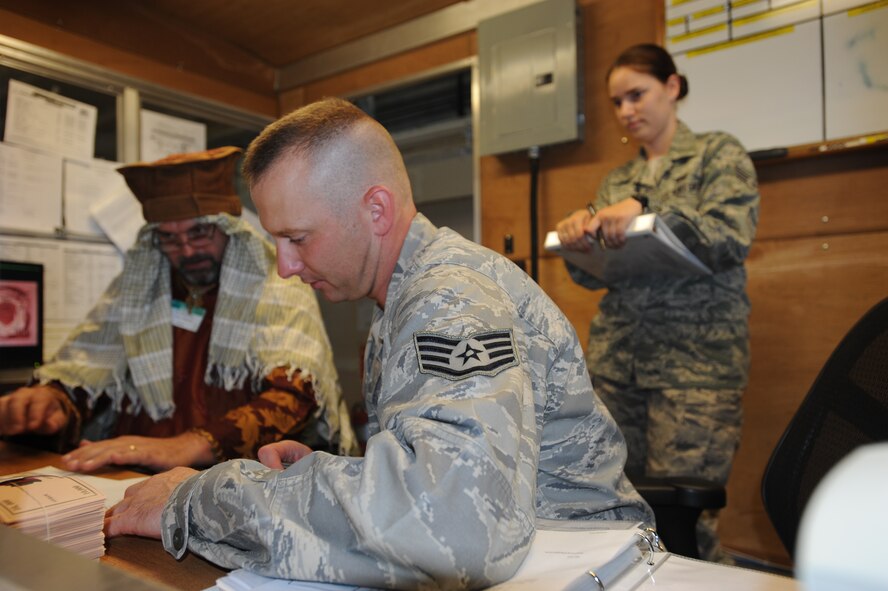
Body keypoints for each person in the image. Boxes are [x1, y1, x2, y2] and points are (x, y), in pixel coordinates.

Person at [103, 97, 653, 590]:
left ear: (376, 210)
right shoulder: (402, 296)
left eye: (296, 238)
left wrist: (198, 500)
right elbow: (436, 467)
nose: (286, 266)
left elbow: (455, 521)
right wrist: (335, 472)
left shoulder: (449, 294)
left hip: (587, 567)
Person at [0, 146, 355, 472]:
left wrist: (188, 446)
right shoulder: (140, 286)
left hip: (238, 485)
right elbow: (89, 375)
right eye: (169, 239)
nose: (186, 251)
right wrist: (51, 403)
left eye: (199, 234)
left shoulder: (277, 281)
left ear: (228, 230)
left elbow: (293, 398)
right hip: (131, 476)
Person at [554, 44, 760, 562]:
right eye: (617, 102)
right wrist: (580, 240)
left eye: (637, 94)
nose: (626, 111)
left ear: (672, 86)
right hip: (618, 367)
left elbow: (729, 237)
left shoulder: (719, 154)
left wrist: (646, 208)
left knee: (686, 521)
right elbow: (596, 277)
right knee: (616, 509)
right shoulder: (616, 180)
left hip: (694, 370)